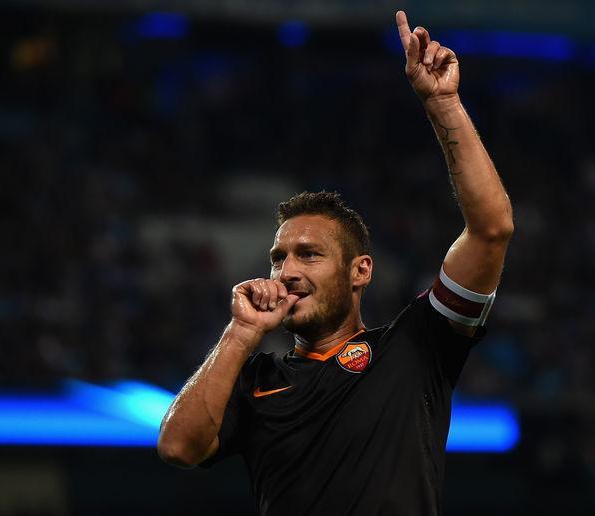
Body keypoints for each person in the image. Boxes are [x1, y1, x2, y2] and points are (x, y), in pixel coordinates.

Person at [157, 10, 514, 515]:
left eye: (309, 254)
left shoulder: (416, 349)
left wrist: (444, 104)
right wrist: (240, 333)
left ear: (360, 271)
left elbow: (492, 230)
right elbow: (178, 448)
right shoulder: (254, 379)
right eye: (279, 258)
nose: (288, 271)